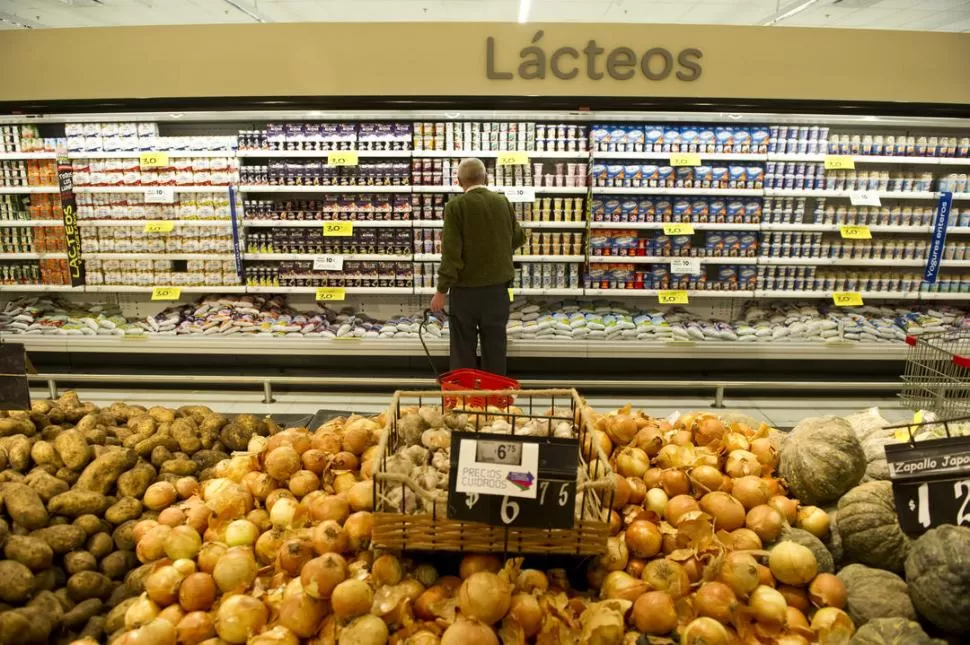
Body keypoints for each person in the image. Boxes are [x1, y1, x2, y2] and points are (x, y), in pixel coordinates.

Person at [429, 158, 526, 376]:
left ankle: (465, 402)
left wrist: (441, 290)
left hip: (465, 293)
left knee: (463, 348)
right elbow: (519, 237)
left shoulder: (455, 206)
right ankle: (495, 401)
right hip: (498, 291)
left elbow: (451, 254)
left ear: (458, 181)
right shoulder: (503, 202)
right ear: (486, 178)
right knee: (495, 346)